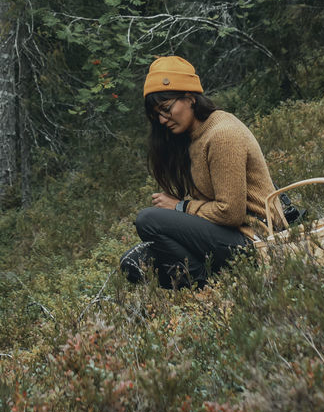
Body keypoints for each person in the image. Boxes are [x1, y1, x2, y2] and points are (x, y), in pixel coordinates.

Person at [120, 55, 287, 289]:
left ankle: (207, 288)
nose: (162, 119)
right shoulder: (189, 138)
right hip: (224, 235)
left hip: (254, 238)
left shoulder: (222, 135)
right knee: (133, 263)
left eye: (166, 109)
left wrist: (180, 207)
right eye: (157, 113)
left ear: (190, 98)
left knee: (148, 221)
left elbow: (231, 213)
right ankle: (214, 281)